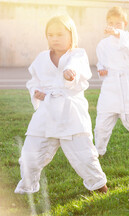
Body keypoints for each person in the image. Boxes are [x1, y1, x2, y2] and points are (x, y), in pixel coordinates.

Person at [15, 15, 107, 194]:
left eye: (59, 34)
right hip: (46, 113)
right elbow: (34, 82)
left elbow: (75, 69)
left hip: (70, 113)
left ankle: (99, 186)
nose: (54, 38)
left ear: (71, 35)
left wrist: (69, 75)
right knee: (29, 155)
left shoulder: (77, 55)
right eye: (50, 35)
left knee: (84, 156)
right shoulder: (42, 58)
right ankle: (28, 186)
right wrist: (37, 92)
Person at [94, 6, 129, 156]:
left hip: (128, 84)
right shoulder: (102, 45)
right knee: (102, 123)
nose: (114, 26)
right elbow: (101, 62)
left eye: (118, 23)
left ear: (125, 24)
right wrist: (101, 69)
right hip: (110, 87)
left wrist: (117, 33)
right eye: (111, 23)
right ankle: (99, 150)